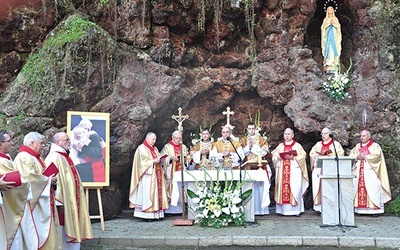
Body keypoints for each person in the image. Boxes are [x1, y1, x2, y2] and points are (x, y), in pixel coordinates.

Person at [13, 132, 62, 249]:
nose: (43, 146)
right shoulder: (23, 157)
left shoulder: (36, 157)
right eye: (41, 143)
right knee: (38, 233)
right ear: (31, 143)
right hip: (34, 205)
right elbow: (28, 179)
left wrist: (51, 180)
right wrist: (48, 180)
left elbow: (40, 176)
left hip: (44, 200)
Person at [45, 132, 93, 249]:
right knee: (63, 230)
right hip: (62, 203)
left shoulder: (63, 156)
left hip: (70, 200)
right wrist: (58, 201)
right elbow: (51, 179)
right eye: (66, 140)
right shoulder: (54, 157)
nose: (69, 142)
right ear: (58, 142)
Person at [0, 131, 38, 249]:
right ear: (1, 144)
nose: (12, 143)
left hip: (11, 205)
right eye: (9, 141)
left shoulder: (7, 159)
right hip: (6, 209)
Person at [349, 130, 391, 215]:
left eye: (364, 136)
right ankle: (359, 209)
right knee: (357, 187)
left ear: (369, 137)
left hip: (370, 172)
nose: (362, 137)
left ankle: (374, 210)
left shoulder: (375, 146)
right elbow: (351, 155)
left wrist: (366, 157)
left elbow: (377, 157)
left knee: (373, 188)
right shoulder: (357, 146)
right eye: (361, 136)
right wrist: (357, 157)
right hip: (359, 171)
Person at [129, 132, 169, 220]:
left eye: (155, 139)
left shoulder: (154, 149)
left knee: (156, 194)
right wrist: (153, 161)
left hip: (157, 174)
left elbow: (158, 158)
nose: (154, 141)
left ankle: (157, 214)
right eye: (153, 139)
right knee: (148, 195)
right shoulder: (141, 148)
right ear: (147, 139)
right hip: (147, 176)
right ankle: (147, 214)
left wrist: (162, 160)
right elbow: (141, 163)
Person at [271, 128, 308, 216]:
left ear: (292, 135)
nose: (287, 136)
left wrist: (294, 158)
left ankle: (295, 211)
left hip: (294, 170)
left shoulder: (297, 146)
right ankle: (282, 210)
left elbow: (303, 156)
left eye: (289, 134)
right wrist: (278, 158)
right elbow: (274, 156)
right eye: (285, 134)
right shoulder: (280, 146)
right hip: (282, 171)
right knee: (282, 187)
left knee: (295, 187)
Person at [309, 127, 344, 212]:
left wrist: (329, 156)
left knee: (330, 187)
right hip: (319, 169)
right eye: (322, 133)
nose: (323, 135)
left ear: (330, 134)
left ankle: (331, 206)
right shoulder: (318, 144)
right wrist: (317, 156)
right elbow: (312, 154)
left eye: (325, 133)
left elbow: (340, 154)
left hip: (331, 169)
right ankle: (319, 208)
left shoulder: (336, 144)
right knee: (318, 186)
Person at [239, 122, 272, 215]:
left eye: (253, 128)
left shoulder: (261, 140)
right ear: (247, 129)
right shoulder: (243, 140)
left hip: (259, 166)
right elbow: (240, 153)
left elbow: (265, 153)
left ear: (255, 129)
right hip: (247, 166)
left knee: (259, 188)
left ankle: (261, 210)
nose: (251, 130)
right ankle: (248, 209)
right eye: (249, 129)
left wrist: (254, 147)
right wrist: (248, 147)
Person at [160, 130, 189, 214]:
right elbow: (162, 158)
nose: (178, 140)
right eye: (176, 138)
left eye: (179, 138)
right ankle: (170, 210)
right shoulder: (167, 147)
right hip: (171, 172)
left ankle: (181, 208)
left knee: (182, 188)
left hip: (181, 170)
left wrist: (185, 160)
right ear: (172, 137)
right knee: (172, 188)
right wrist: (170, 158)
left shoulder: (183, 146)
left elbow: (188, 157)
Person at [70, 118, 106, 182]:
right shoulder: (75, 136)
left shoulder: (92, 136)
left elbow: (98, 154)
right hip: (85, 165)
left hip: (95, 168)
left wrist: (83, 148)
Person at [321, 6, 341, 73]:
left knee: (334, 49)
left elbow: (338, 27)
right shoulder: (325, 19)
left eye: (331, 9)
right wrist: (328, 25)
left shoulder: (335, 19)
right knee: (328, 50)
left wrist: (334, 24)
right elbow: (322, 28)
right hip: (328, 38)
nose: (330, 10)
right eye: (328, 9)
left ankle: (334, 65)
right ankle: (328, 66)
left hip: (334, 38)